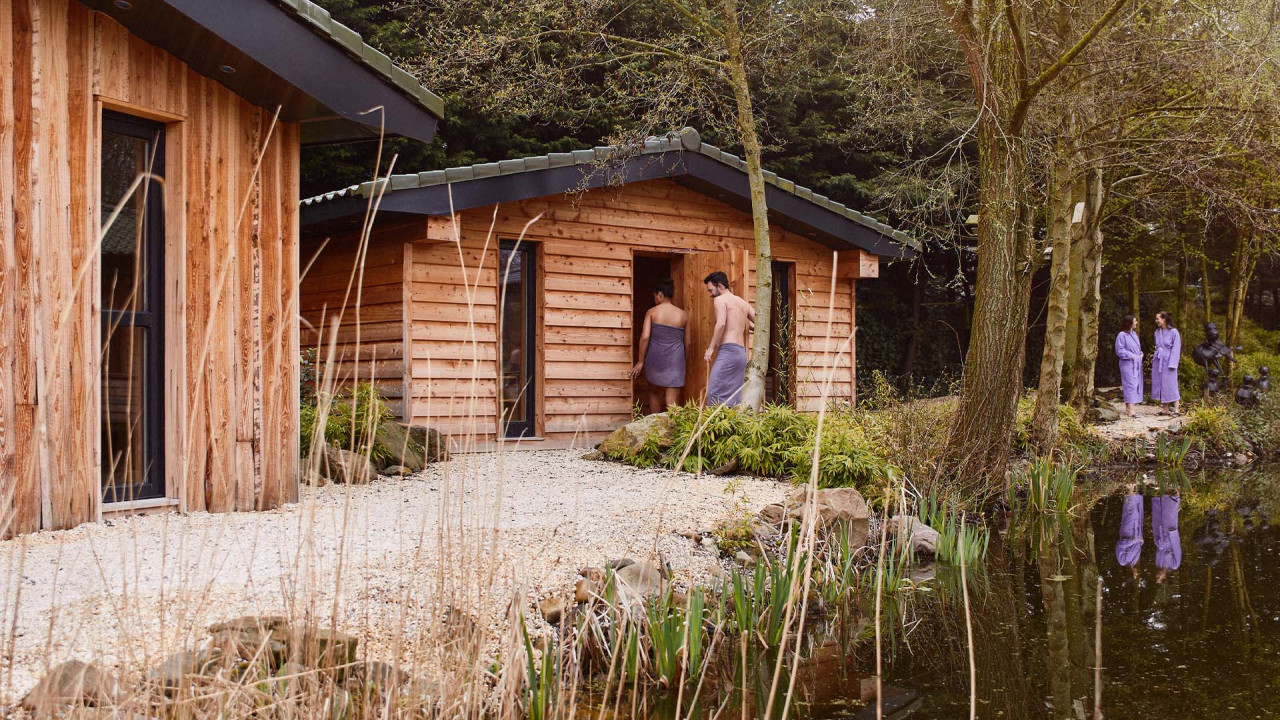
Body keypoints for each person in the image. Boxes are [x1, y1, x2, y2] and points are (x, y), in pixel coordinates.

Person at [630, 278, 689, 413]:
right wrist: (685, 361)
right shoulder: (683, 315)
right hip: (676, 361)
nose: (655, 299)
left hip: (656, 359)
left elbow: (645, 337)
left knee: (654, 394)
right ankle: (674, 431)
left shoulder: (652, 312)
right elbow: (688, 342)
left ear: (660, 294)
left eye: (655, 296)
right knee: (672, 402)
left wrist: (640, 361)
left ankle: (654, 430)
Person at [702, 271, 754, 406]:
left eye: (710, 290)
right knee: (734, 395)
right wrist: (748, 325)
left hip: (728, 351)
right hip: (741, 353)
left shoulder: (720, 300)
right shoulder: (743, 303)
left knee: (714, 392)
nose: (709, 294)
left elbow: (721, 323)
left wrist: (710, 348)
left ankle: (714, 426)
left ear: (720, 286)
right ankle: (731, 426)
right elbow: (760, 322)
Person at [1151, 311, 1181, 415]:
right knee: (1161, 384)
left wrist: (1173, 363)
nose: (1156, 321)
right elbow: (1158, 346)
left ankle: (1177, 409)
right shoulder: (1157, 332)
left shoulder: (1174, 332)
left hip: (1169, 361)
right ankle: (1165, 409)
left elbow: (1176, 348)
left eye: (1157, 319)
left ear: (1164, 319)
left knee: (1172, 384)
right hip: (1159, 360)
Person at [1114, 314, 1144, 417]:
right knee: (1130, 385)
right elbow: (1120, 350)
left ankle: (1128, 408)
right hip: (1127, 364)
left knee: (1134, 384)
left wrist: (1140, 354)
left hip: (1136, 363)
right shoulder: (1122, 335)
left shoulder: (1134, 334)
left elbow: (1136, 348)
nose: (1136, 323)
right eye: (1135, 321)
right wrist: (1132, 356)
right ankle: (1132, 411)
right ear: (1129, 323)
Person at [1151, 493, 1182, 583]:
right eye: (1158, 578)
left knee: (1157, 515)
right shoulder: (1174, 565)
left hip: (1159, 537)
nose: (1157, 575)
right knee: (1169, 512)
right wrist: (1173, 533)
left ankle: (1157, 491)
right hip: (1169, 535)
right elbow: (1176, 547)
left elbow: (1159, 550)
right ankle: (1173, 492)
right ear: (1165, 577)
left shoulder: (1158, 564)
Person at [1116, 488, 1144, 580]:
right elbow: (1137, 546)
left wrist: (1134, 540)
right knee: (1137, 510)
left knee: (1131, 511)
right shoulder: (1134, 561)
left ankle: (1129, 486)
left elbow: (1120, 545)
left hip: (1127, 531)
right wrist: (1140, 541)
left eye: (1135, 576)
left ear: (1130, 574)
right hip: (1137, 531)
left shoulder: (1122, 561)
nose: (1137, 574)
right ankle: (1134, 485)